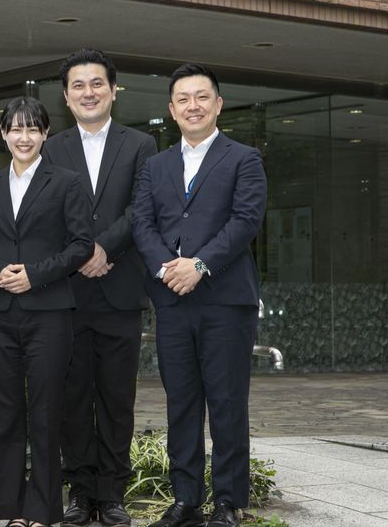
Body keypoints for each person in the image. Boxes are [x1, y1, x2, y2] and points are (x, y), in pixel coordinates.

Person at [132, 64, 267, 527]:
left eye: (202, 97)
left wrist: (200, 265)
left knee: (227, 403)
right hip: (172, 299)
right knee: (182, 402)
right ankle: (186, 499)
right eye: (183, 99)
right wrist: (166, 268)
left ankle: (228, 502)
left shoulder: (244, 158)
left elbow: (245, 221)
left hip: (225, 300)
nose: (194, 106)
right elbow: (141, 223)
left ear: (218, 104)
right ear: (172, 110)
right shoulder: (155, 166)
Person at [41, 48, 157, 527]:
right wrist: (80, 254)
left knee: (115, 398)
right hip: (66, 295)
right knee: (71, 397)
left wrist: (103, 248)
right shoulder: (51, 148)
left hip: (119, 287)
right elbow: (45, 212)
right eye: (78, 86)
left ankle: (111, 494)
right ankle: (80, 492)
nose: (88, 93)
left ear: (112, 90)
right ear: (66, 96)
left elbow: (142, 207)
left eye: (96, 84)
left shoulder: (141, 144)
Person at [0, 96, 94, 527]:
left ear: (45, 134)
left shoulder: (67, 182)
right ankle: (11, 509)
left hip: (49, 313)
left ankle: (42, 510)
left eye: (33, 129)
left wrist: (34, 275)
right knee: (6, 413)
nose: (24, 137)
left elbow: (81, 245)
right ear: (4, 134)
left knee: (45, 412)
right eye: (16, 129)